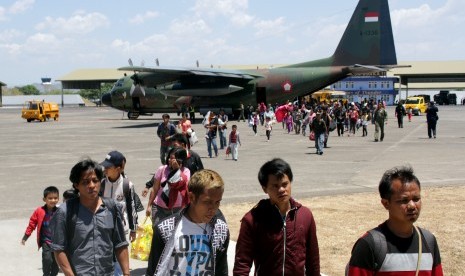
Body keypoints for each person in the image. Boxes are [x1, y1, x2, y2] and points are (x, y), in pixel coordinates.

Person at [347, 166, 443, 275]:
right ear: (386, 203)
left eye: (416, 199)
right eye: (404, 200)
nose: (412, 205)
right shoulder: (369, 245)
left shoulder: (428, 241)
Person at [233, 158, 320, 276]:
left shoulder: (305, 216)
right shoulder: (253, 219)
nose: (281, 190)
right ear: (265, 189)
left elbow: (313, 260)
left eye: (285, 184)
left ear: (290, 182)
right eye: (275, 186)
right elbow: (242, 263)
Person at [50, 159, 129, 276]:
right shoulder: (65, 212)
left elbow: (120, 244)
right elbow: (59, 249)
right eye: (85, 182)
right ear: (76, 185)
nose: (92, 185)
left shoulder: (111, 208)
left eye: (95, 180)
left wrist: (126, 273)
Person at [147, 169, 229, 276]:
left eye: (217, 202)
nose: (213, 208)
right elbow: (153, 270)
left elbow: (221, 270)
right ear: (191, 197)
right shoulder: (166, 229)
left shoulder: (220, 230)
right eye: (207, 202)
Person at [100, 150, 139, 276]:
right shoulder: (101, 183)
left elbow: (131, 207)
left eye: (108, 167)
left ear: (118, 169)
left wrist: (133, 229)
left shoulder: (127, 185)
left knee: (118, 258)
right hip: (103, 228)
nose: (104, 169)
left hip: (120, 229)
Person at [21, 186, 60, 276]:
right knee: (47, 259)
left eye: (55, 198)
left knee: (56, 263)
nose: (53, 200)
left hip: (57, 242)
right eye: (50, 198)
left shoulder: (60, 211)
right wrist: (25, 237)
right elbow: (32, 224)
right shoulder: (39, 211)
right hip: (46, 241)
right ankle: (45, 274)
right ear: (44, 199)